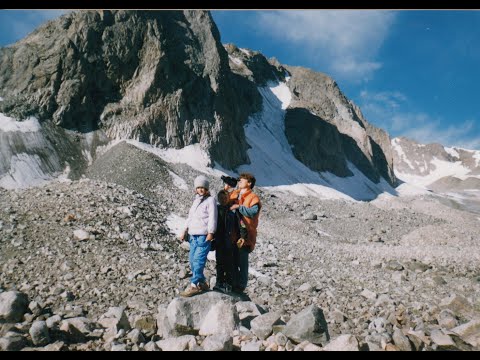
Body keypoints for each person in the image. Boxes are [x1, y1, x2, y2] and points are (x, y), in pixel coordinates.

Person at [179, 175, 218, 297]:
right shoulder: (196, 201)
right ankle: (202, 282)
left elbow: (213, 217)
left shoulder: (210, 200)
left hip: (203, 235)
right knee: (192, 260)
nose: (200, 189)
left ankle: (194, 285)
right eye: (198, 187)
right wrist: (184, 230)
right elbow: (190, 217)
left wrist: (211, 232)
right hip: (193, 235)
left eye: (203, 187)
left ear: (207, 188)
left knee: (198, 260)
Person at [229, 173, 261, 293]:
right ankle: (233, 283)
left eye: (242, 180)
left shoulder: (253, 197)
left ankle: (241, 285)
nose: (239, 181)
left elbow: (253, 212)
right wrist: (226, 189)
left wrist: (239, 207)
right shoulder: (235, 193)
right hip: (233, 233)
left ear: (249, 183)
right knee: (232, 259)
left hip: (246, 235)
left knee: (242, 261)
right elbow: (224, 202)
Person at [213, 189, 248, 294]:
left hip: (230, 242)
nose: (223, 200)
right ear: (218, 199)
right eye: (221, 198)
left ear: (228, 199)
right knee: (219, 263)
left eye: (225, 198)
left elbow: (241, 224)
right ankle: (219, 282)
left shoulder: (233, 210)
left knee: (229, 264)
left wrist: (243, 236)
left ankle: (229, 283)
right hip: (219, 242)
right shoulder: (215, 210)